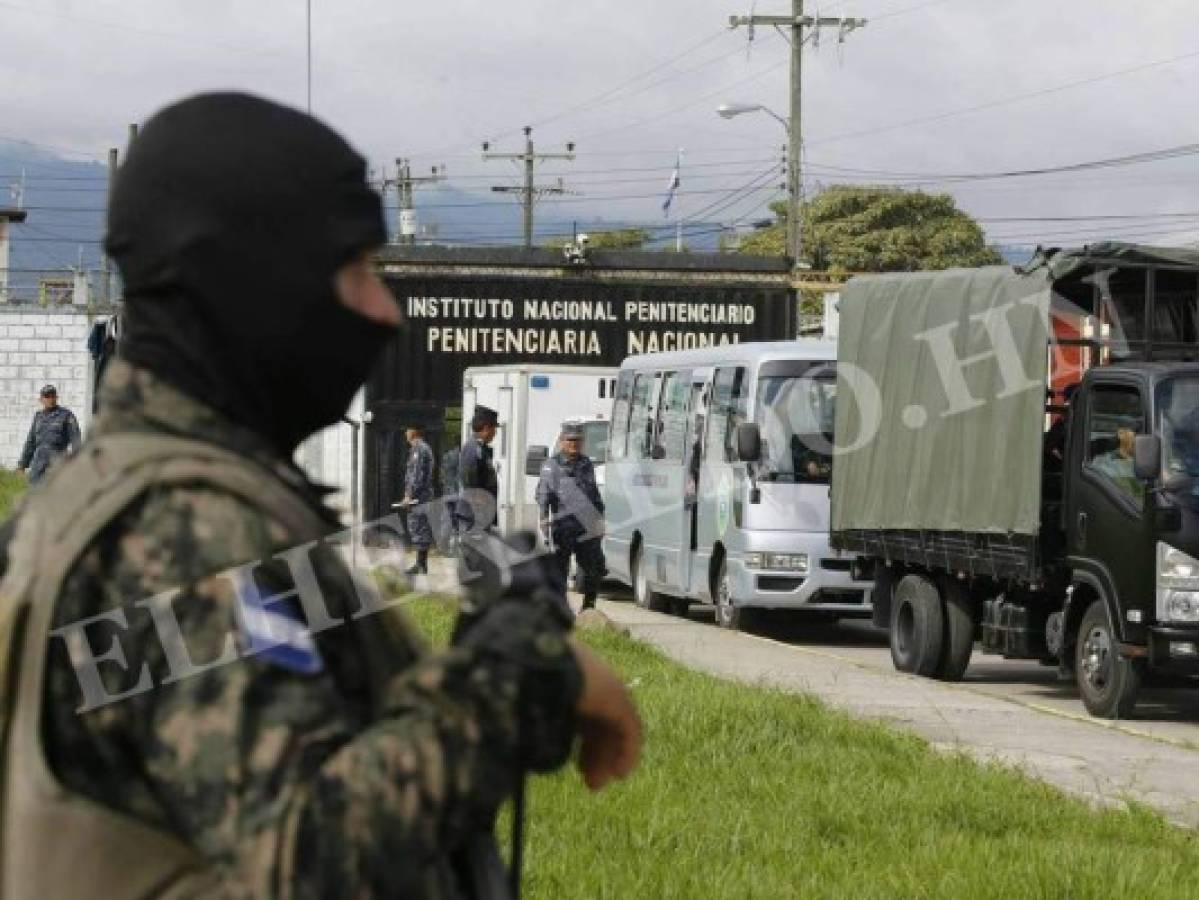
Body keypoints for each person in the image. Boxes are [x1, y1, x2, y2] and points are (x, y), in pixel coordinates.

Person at [0, 93, 640, 899]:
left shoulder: (115, 496)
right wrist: (517, 660)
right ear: (250, 282)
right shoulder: (185, 529)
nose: (382, 309)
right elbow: (312, 860)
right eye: (354, 269)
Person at [536, 422, 607, 611]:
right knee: (560, 571)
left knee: (595, 568)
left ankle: (589, 608)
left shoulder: (586, 464)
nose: (574, 444)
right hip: (563, 526)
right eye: (570, 440)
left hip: (586, 526)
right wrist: (543, 517)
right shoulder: (552, 466)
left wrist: (600, 519)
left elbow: (593, 494)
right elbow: (544, 494)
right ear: (562, 441)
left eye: (578, 440)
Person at [16, 384, 81, 483]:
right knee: (35, 493)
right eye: (47, 396)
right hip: (38, 464)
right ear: (41, 399)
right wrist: (22, 465)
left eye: (52, 396)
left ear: (56, 398)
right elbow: (31, 442)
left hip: (58, 462)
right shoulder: (38, 417)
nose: (50, 399)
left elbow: (76, 440)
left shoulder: (66, 415)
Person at [457, 405, 500, 534]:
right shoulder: (473, 448)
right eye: (494, 429)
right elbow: (468, 479)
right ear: (486, 427)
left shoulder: (480, 448)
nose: (495, 433)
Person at [401, 424, 434, 574]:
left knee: (418, 527)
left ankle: (421, 565)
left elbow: (416, 475)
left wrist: (409, 495)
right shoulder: (424, 448)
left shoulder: (418, 449)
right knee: (420, 527)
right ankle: (421, 564)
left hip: (419, 497)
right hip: (423, 495)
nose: (405, 433)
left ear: (412, 432)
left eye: (407, 430)